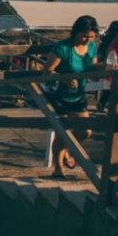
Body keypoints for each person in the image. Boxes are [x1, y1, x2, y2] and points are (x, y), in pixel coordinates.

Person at [43, 15, 99, 177]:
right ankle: (58, 169)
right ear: (75, 32)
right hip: (58, 95)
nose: (87, 40)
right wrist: (64, 79)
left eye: (91, 37)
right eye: (84, 36)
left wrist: (107, 67)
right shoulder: (63, 48)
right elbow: (47, 71)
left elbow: (93, 68)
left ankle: (66, 149)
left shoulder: (92, 47)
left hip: (78, 95)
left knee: (85, 132)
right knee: (63, 131)